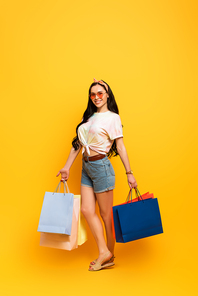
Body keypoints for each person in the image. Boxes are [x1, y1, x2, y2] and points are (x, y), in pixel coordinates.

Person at [56, 78, 137, 271]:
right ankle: (104, 252)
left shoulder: (113, 117)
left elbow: (121, 146)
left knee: (105, 215)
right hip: (86, 167)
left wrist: (129, 172)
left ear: (107, 94)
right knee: (87, 210)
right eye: (93, 94)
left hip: (101, 168)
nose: (96, 97)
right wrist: (67, 167)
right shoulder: (89, 117)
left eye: (100, 93)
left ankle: (109, 254)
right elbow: (78, 144)